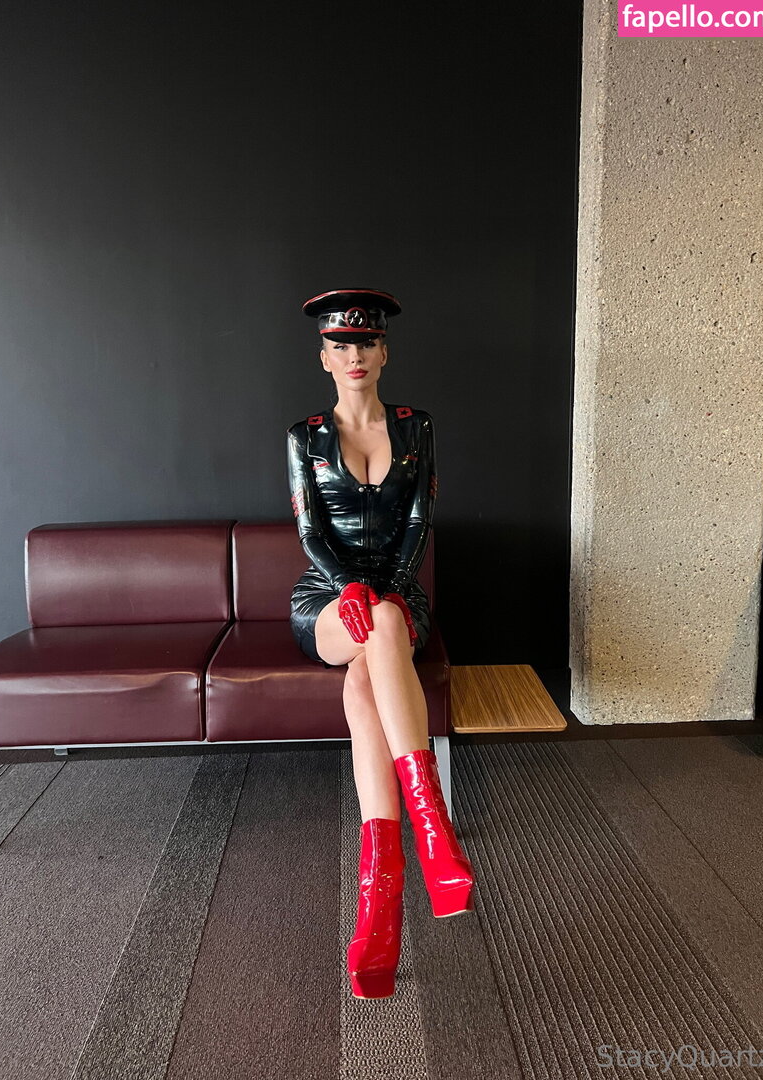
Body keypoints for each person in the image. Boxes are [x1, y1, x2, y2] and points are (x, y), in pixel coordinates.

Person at [286, 288, 475, 1000]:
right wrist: (349, 589)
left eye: (366, 342)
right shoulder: (304, 436)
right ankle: (434, 833)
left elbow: (420, 522)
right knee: (375, 631)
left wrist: (388, 589)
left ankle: (379, 906)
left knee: (378, 651)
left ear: (384, 352)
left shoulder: (416, 427)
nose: (354, 355)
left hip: (397, 596)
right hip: (327, 601)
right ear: (324, 358)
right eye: (340, 345)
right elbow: (310, 532)